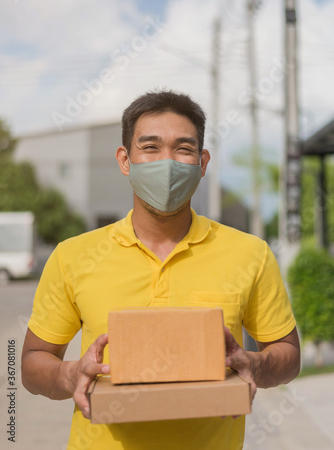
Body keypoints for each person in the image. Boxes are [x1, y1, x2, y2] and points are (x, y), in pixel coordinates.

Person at [21, 90, 300, 450]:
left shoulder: (250, 253)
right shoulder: (73, 256)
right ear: (125, 160)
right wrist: (68, 373)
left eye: (183, 149)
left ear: (202, 163)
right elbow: (31, 363)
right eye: (150, 148)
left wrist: (256, 365)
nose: (166, 162)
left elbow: (288, 354)